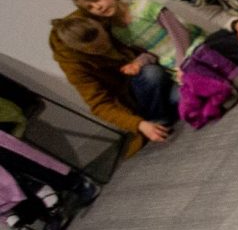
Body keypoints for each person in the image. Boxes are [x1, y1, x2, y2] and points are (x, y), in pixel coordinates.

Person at [67, 0, 238, 103]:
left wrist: (181, 63)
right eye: (91, 7)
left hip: (190, 47)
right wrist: (139, 63)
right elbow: (150, 52)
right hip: (171, 64)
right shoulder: (117, 32)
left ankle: (234, 73)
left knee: (201, 60)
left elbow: (179, 33)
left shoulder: (145, 6)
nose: (98, 7)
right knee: (183, 96)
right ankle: (222, 90)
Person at [47, 9, 177, 149]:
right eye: (97, 49)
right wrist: (138, 124)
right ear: (79, 50)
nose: (106, 47)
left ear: (101, 26)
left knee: (182, 94)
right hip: (137, 95)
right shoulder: (73, 65)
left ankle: (166, 112)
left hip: (162, 71)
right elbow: (99, 105)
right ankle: (158, 120)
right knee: (152, 74)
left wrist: (140, 62)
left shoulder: (101, 14)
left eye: (105, 40)